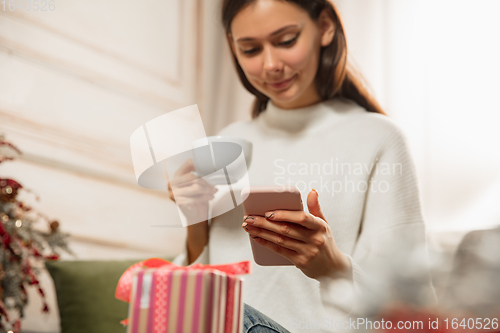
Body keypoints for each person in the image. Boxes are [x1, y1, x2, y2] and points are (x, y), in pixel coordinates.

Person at [169, 0, 436, 332]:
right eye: (250, 49)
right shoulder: (229, 142)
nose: (270, 65)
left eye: (286, 41)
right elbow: (199, 279)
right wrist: (194, 217)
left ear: (324, 27)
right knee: (172, 304)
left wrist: (332, 267)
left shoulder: (378, 138)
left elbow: (408, 307)